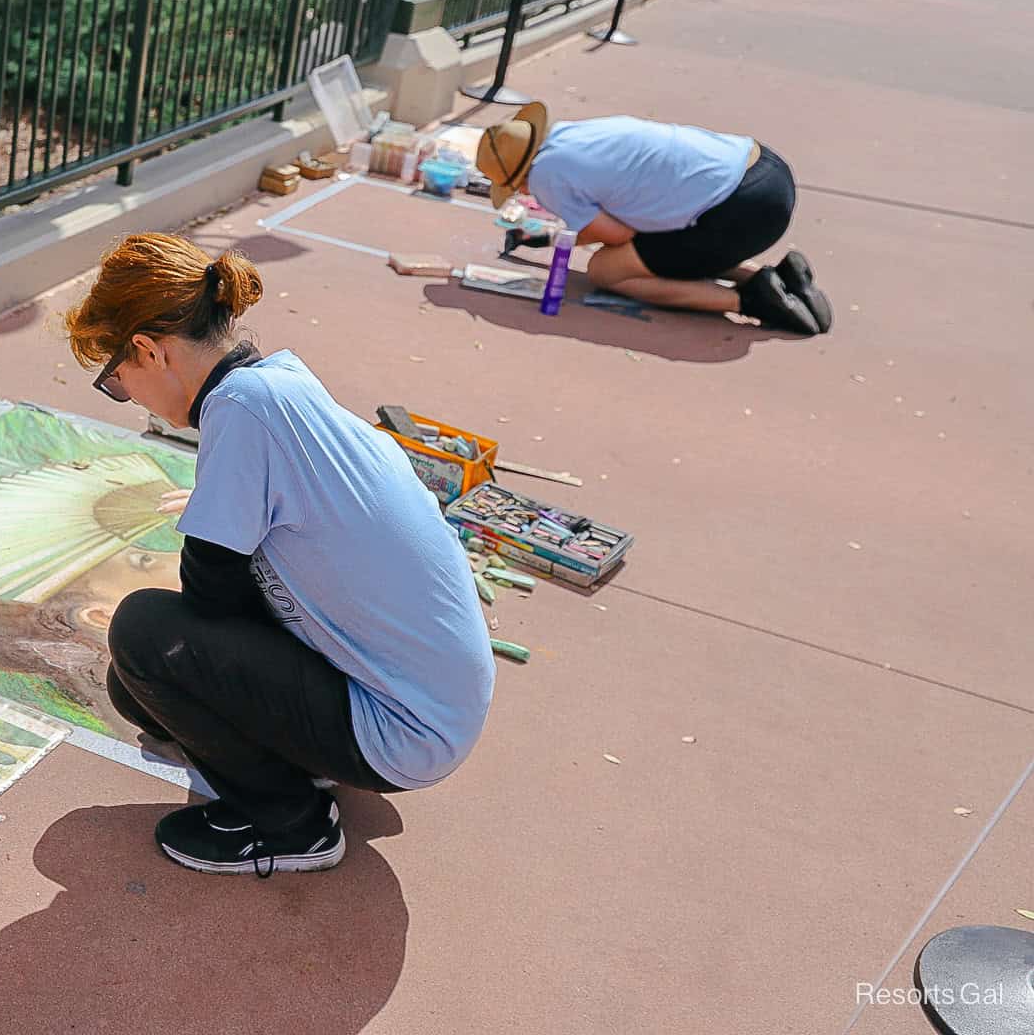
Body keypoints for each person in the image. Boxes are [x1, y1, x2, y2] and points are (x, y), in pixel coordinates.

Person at [63, 233, 495, 876]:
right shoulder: (275, 382)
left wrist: (218, 517)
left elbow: (209, 602)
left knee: (144, 634)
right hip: (425, 702)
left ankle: (291, 822)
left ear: (149, 351)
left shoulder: (240, 409)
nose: (129, 400)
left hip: (403, 729)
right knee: (134, 691)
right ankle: (300, 765)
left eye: (117, 383)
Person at [475, 101, 833, 334]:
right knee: (662, 244)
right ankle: (775, 278)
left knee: (606, 270)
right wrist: (558, 235)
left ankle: (751, 300)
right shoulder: (569, 134)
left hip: (741, 211)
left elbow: (618, 236)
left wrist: (561, 236)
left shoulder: (545, 176)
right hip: (763, 169)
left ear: (517, 178)